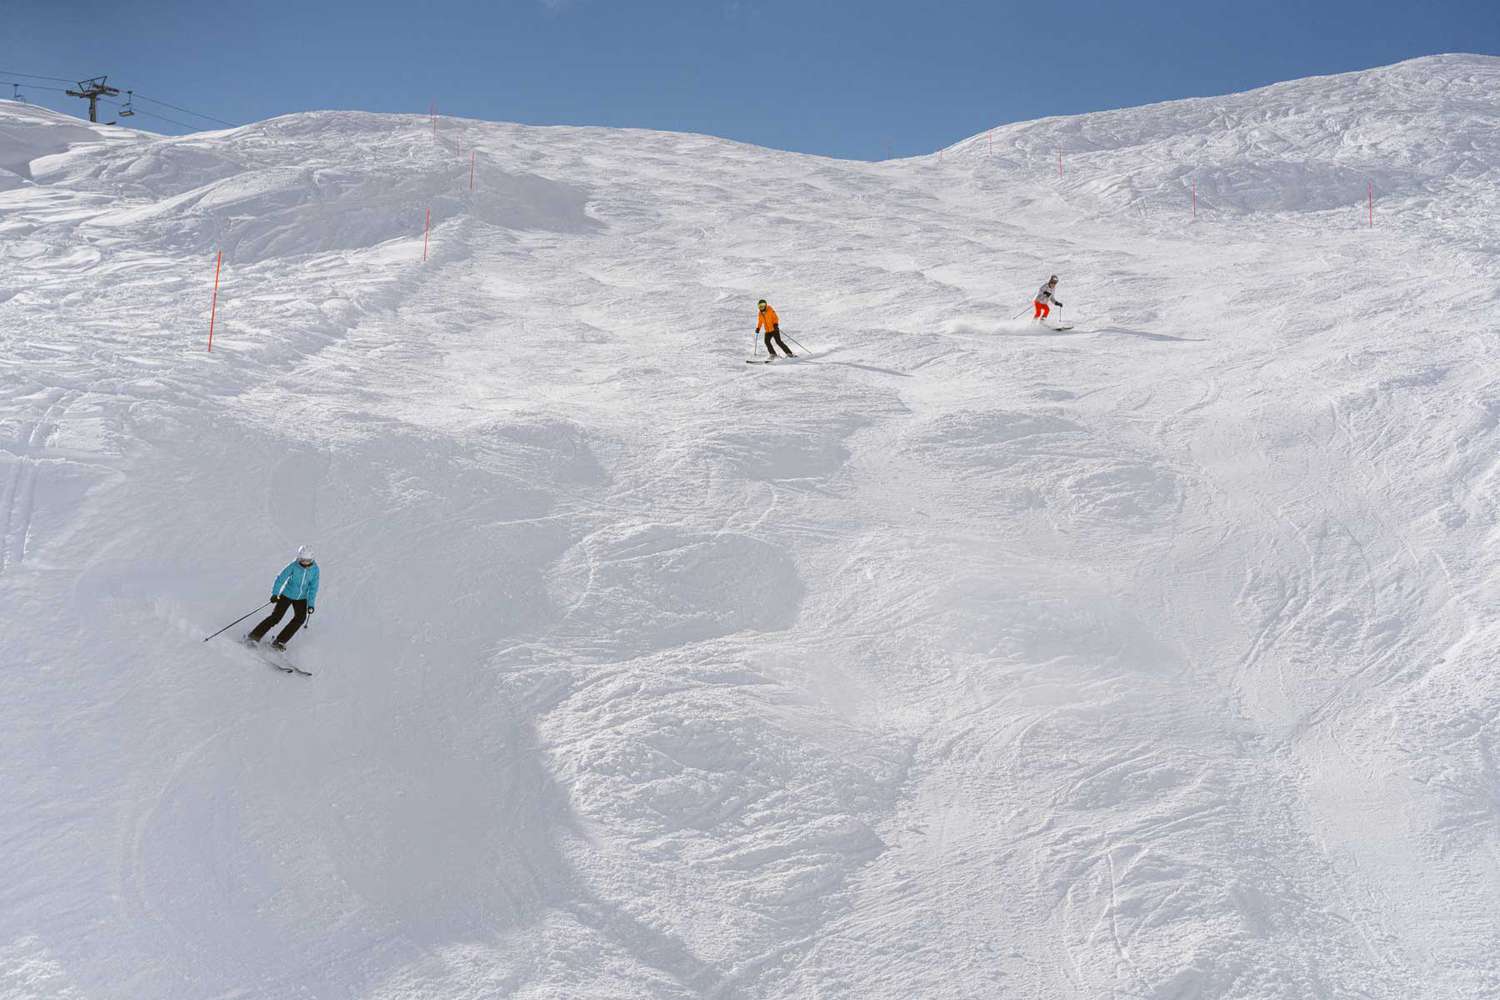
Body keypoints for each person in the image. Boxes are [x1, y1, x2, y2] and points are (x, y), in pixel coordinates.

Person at [246, 545, 320, 651]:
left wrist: (311, 604)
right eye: (302, 560)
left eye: (307, 560)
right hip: (287, 595)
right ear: (299, 558)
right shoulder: (293, 566)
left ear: (312, 559)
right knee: (276, 617)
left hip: (301, 598)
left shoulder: (315, 570)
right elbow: (281, 578)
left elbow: (313, 588)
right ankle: (253, 636)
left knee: (300, 618)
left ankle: (279, 641)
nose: (305, 562)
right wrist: (275, 594)